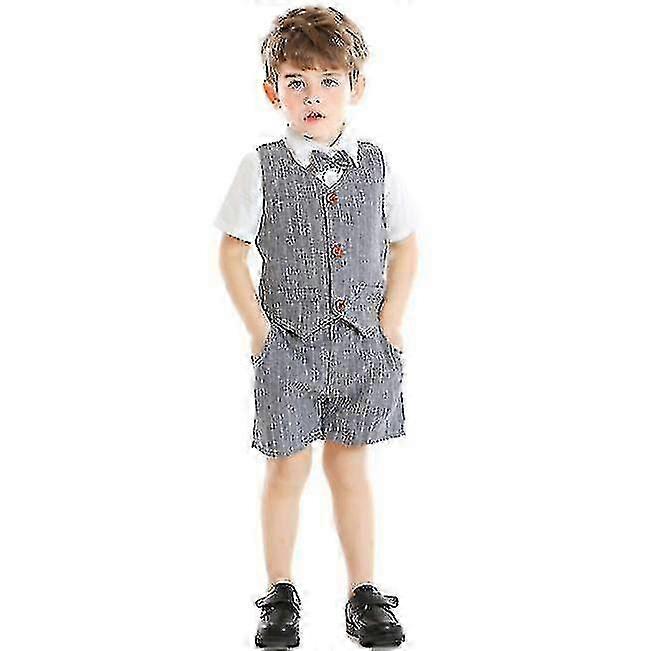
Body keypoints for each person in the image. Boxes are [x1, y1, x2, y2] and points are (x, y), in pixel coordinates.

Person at [214, 6, 418, 648]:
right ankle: (279, 592)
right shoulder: (263, 166)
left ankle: (364, 592)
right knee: (286, 470)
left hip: (361, 346)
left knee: (351, 469)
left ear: (356, 87)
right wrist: (259, 331)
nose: (313, 97)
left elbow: (405, 243)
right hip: (289, 348)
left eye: (329, 82)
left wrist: (390, 321)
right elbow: (231, 251)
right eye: (296, 82)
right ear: (272, 91)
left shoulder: (376, 164)